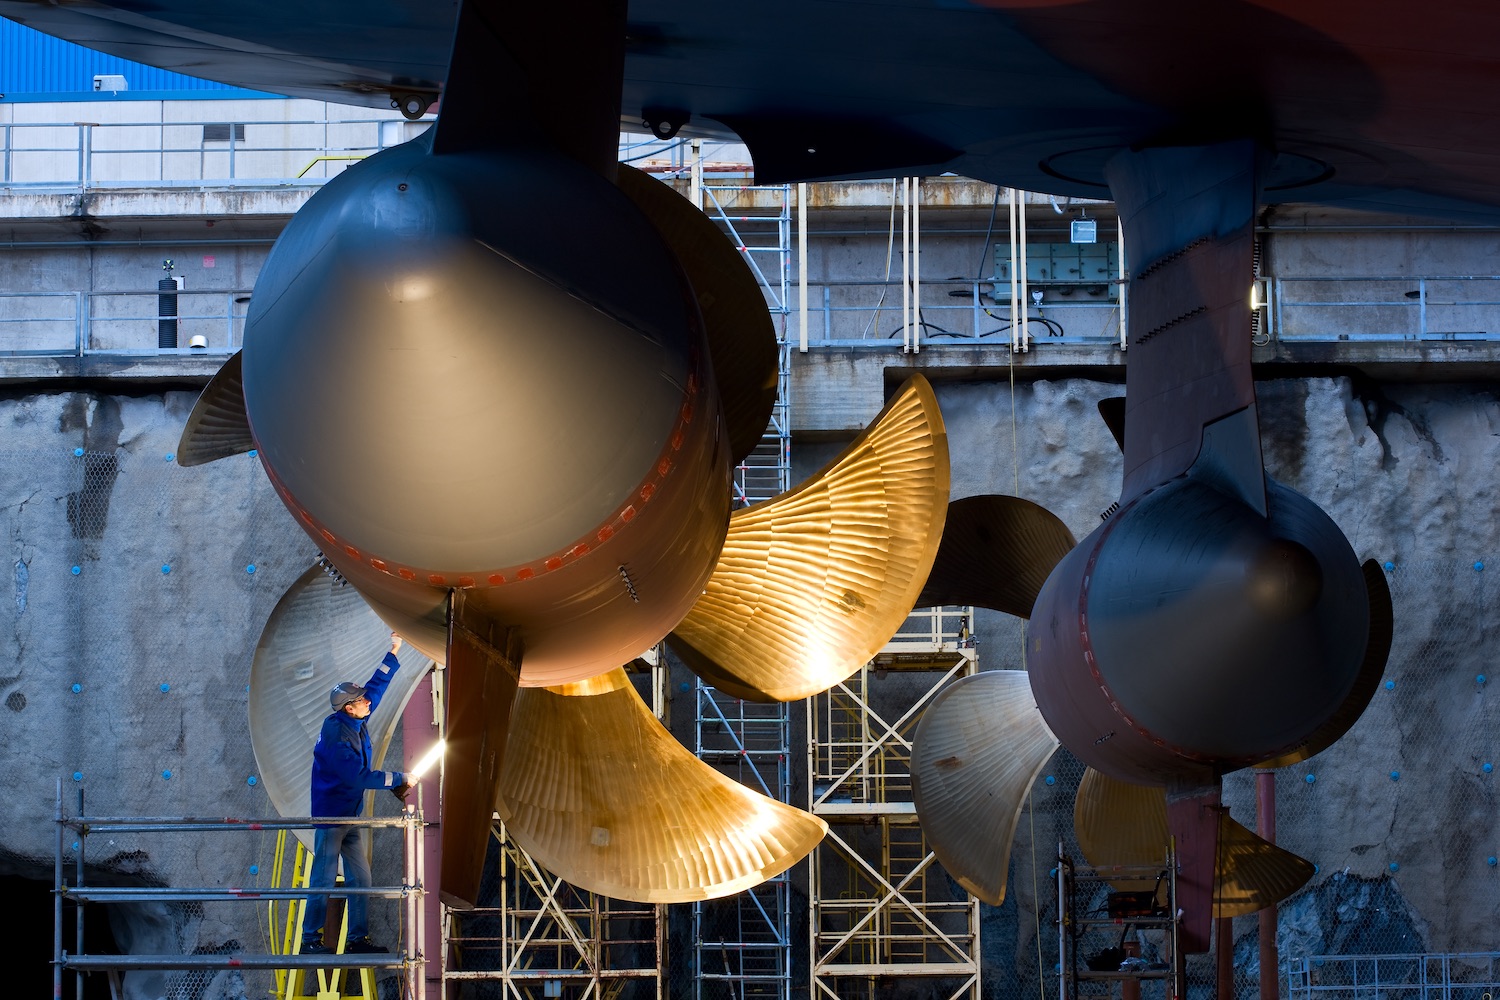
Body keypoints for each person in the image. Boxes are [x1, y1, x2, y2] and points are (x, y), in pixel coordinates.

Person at [302, 632, 409, 955]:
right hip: (331, 817)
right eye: (361, 701)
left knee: (360, 878)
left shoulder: (354, 719)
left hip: (348, 814)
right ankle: (309, 941)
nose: (368, 702)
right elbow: (358, 776)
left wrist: (394, 651)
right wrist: (399, 778)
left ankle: (356, 940)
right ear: (349, 708)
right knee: (323, 877)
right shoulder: (336, 736)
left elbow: (376, 687)